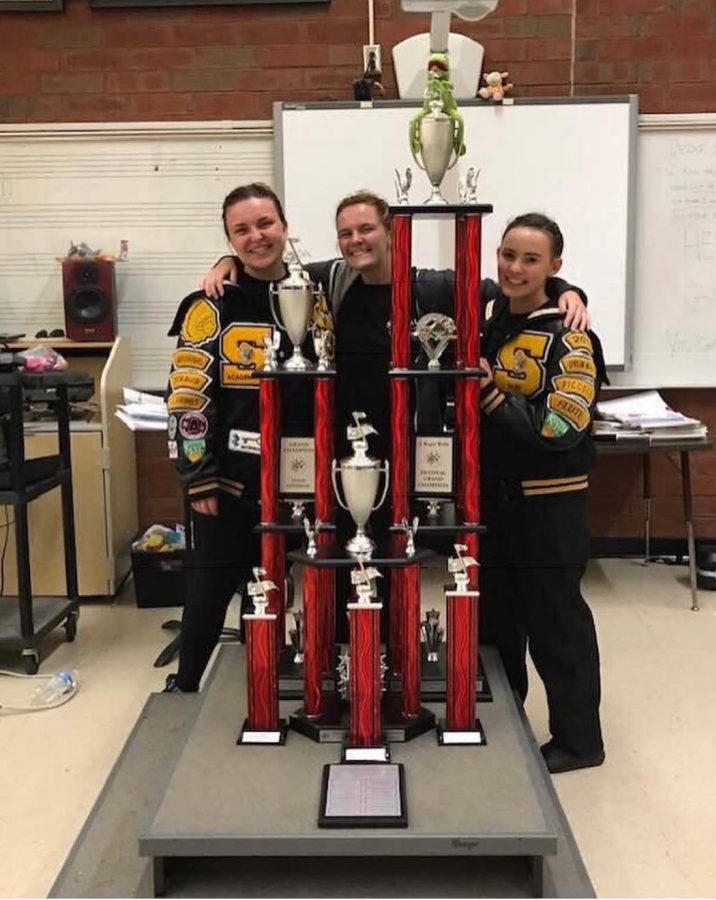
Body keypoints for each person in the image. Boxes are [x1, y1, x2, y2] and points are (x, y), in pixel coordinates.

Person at [199, 192, 590, 641]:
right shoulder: (328, 284)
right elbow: (267, 273)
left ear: (391, 233)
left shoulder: (432, 288)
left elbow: (510, 291)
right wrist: (225, 263)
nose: (355, 240)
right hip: (340, 468)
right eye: (345, 233)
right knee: (342, 573)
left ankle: (395, 673)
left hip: (409, 465)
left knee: (400, 573)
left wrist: (566, 291)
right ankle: (351, 673)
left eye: (366, 229)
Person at [164, 182, 311, 692]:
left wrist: (568, 292)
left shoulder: (316, 296)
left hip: (296, 485)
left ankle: (262, 686)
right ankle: (184, 689)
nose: (256, 237)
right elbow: (186, 399)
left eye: (265, 224)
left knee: (270, 592)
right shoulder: (209, 305)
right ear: (229, 239)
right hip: (226, 487)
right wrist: (198, 477)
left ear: (285, 227)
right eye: (241, 230)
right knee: (206, 591)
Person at [478, 212, 607, 773]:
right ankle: (504, 728)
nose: (514, 268)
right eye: (508, 254)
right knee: (495, 627)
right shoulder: (486, 319)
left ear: (554, 267)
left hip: (549, 504)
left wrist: (488, 396)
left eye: (531, 259)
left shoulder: (573, 337)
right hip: (491, 506)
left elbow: (558, 429)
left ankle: (580, 743)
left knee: (556, 627)